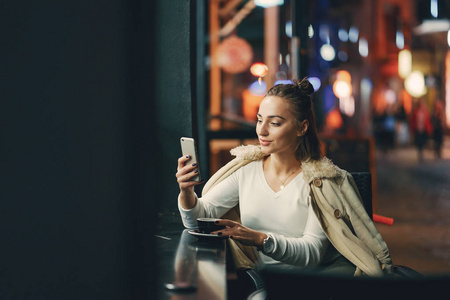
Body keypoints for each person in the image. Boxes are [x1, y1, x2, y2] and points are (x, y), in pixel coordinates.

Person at [176, 78, 392, 279]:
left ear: (302, 127)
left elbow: (312, 253)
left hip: (316, 285)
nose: (262, 130)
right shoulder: (247, 170)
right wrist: (187, 192)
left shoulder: (319, 183)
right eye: (260, 120)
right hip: (264, 283)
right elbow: (197, 220)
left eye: (275, 123)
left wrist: (260, 239)